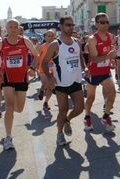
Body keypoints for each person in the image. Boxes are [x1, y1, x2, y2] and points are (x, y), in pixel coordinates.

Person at [0, 19, 39, 150]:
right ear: (6, 28)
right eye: (10, 27)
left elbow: (37, 55)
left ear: (19, 28)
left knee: (19, 108)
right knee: (9, 107)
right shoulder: (1, 44)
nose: (13, 29)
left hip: (22, 79)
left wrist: (33, 69)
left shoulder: (25, 41)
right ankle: (8, 136)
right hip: (7, 79)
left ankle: (9, 131)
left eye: (15, 27)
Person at [42, 16, 87, 145]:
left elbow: (80, 57)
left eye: (72, 25)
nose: (71, 27)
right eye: (68, 25)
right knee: (63, 109)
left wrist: (85, 68)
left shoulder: (77, 42)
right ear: (61, 27)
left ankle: (67, 119)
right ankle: (60, 134)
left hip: (76, 81)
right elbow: (45, 63)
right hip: (61, 83)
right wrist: (50, 77)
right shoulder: (55, 45)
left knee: (79, 108)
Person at [84, 13, 117, 132]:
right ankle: (87, 117)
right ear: (96, 24)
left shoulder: (110, 36)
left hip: (105, 72)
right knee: (91, 98)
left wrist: (111, 59)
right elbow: (94, 59)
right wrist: (108, 56)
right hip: (93, 72)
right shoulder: (93, 39)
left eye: (107, 22)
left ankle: (106, 117)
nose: (105, 25)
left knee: (112, 94)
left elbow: (108, 52)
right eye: (102, 22)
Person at [36, 30, 56, 111]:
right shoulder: (42, 47)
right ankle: (42, 89)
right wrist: (35, 68)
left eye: (52, 36)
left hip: (53, 69)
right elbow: (37, 57)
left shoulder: (57, 46)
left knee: (51, 87)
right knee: (46, 84)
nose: (51, 37)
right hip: (43, 69)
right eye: (49, 36)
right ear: (45, 37)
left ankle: (46, 102)